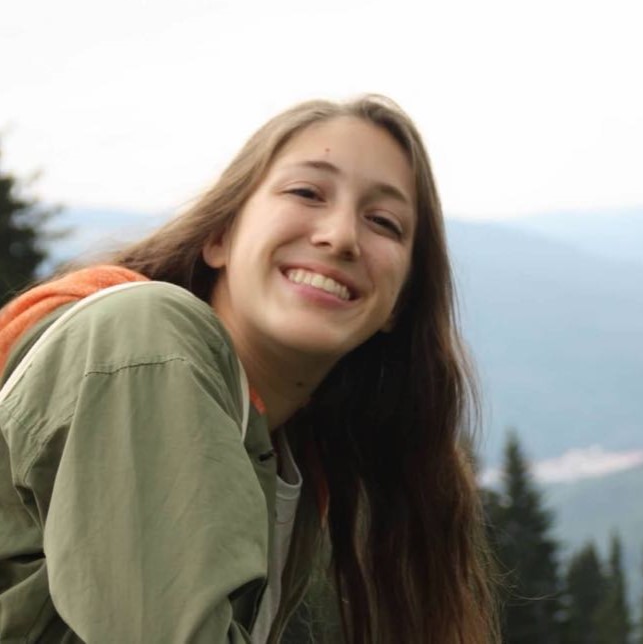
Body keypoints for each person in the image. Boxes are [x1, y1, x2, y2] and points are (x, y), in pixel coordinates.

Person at [0, 96, 498, 643]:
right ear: (220, 236)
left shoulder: (285, 462)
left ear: (399, 303)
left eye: (383, 222)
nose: (340, 237)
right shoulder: (145, 342)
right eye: (306, 192)